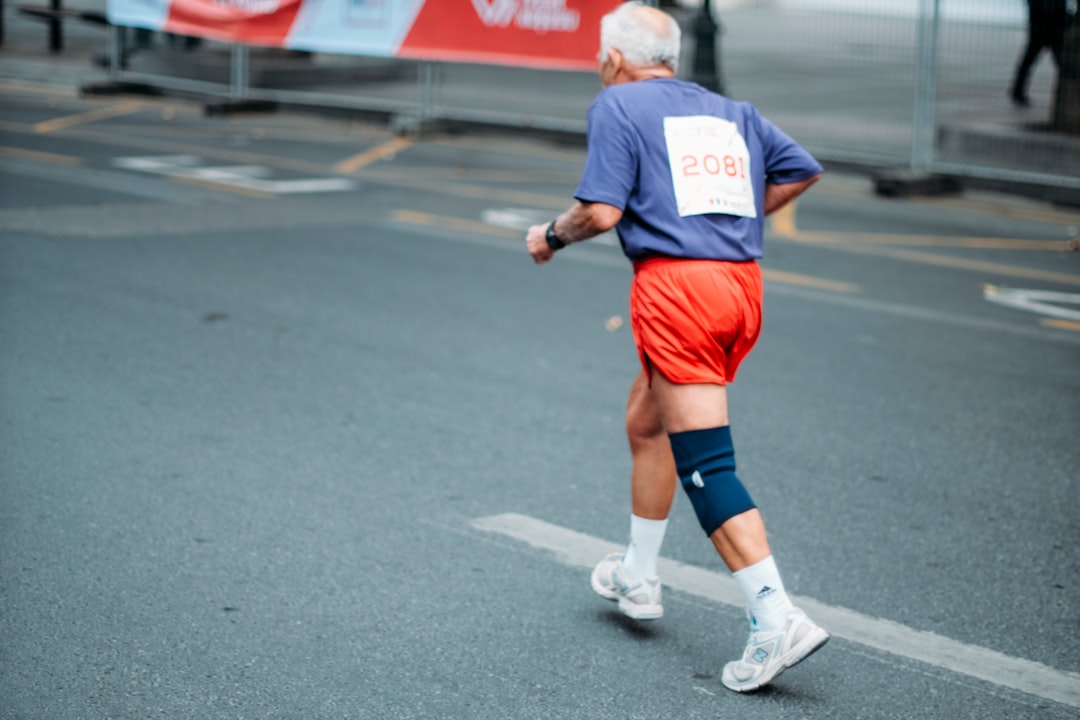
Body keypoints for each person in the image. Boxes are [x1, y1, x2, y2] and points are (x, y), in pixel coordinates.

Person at [524, 2, 827, 694]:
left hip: (678, 292)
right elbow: (801, 169)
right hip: (739, 285)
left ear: (614, 58)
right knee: (646, 420)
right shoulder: (730, 111)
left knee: (705, 464)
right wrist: (728, 225)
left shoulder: (617, 105)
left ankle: (775, 614)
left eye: (601, 56)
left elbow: (600, 211)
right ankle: (637, 573)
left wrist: (550, 236)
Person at [1010, 0, 1068, 107]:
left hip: (1044, 32)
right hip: (1046, 33)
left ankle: (1017, 92)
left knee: (1027, 65)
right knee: (1063, 67)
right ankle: (1017, 93)